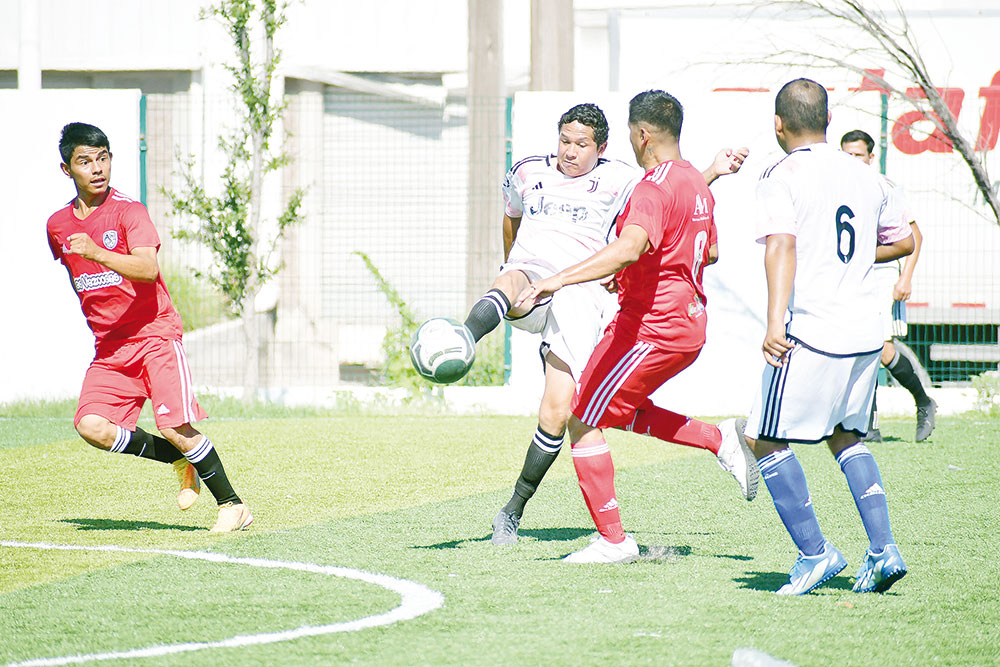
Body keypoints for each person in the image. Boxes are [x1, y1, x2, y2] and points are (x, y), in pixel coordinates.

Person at [459, 103, 753, 547]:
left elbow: (664, 198)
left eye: (581, 145)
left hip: (580, 296)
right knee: (511, 283)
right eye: (564, 140)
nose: (570, 152)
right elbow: (512, 218)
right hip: (534, 280)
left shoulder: (622, 179)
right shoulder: (525, 172)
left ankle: (511, 513)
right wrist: (516, 260)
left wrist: (711, 171)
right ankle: (462, 338)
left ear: (605, 147)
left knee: (567, 413)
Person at [741, 80, 914, 594]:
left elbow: (781, 246)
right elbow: (901, 239)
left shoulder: (781, 173)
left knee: (763, 437)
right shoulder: (868, 176)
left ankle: (815, 554)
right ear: (829, 118)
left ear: (778, 123)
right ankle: (884, 550)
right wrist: (858, 257)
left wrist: (775, 321)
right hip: (865, 329)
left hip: (812, 329)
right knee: (846, 435)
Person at [46, 122, 252, 533]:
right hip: (110, 347)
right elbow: (80, 279)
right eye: (85, 161)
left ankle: (233, 505)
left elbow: (147, 268)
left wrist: (100, 253)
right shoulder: (57, 225)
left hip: (155, 335)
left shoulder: (129, 211)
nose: (97, 168)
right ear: (68, 169)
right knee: (92, 426)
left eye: (103, 158)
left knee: (174, 426)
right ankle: (179, 460)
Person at [840, 130, 936, 442]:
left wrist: (905, 276)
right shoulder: (839, 187)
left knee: (883, 349)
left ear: (870, 157)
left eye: (858, 154)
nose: (852, 161)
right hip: (854, 274)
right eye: (846, 154)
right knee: (859, 347)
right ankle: (870, 426)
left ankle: (924, 401)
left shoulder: (884, 187)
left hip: (882, 273)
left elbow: (914, 235)